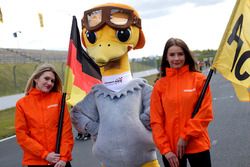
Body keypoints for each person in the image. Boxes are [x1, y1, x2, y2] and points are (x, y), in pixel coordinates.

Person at [150, 38, 213, 167]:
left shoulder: (200, 80)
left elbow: (205, 113)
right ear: (166, 58)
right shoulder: (160, 85)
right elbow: (156, 121)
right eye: (172, 55)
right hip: (171, 150)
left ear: (186, 55)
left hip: (197, 144)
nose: (176, 58)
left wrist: (185, 136)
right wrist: (165, 150)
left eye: (180, 54)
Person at [15, 63, 74, 167]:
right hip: (35, 161)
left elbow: (66, 131)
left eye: (52, 81)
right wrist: (44, 154)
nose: (49, 83)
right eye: (46, 78)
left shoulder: (59, 99)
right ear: (36, 79)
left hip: (59, 161)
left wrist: (64, 158)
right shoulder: (22, 104)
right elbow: (22, 136)